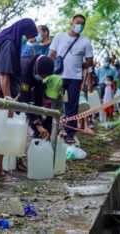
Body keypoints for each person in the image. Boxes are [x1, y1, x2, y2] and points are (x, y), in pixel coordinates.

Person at [0, 18, 38, 179]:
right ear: (22, 33)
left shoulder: (8, 39)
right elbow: (3, 74)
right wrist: (8, 102)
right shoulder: (9, 43)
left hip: (0, 86)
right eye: (29, 36)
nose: (29, 40)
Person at [48, 14, 94, 144]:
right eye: (77, 22)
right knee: (54, 103)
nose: (80, 25)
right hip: (58, 77)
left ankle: (70, 134)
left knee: (72, 107)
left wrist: (78, 66)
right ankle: (52, 129)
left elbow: (90, 61)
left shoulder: (85, 42)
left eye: (82, 24)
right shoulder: (59, 37)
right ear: (71, 23)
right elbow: (51, 55)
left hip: (75, 78)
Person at [19, 55, 56, 139]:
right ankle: (38, 132)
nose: (44, 78)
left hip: (38, 89)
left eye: (46, 76)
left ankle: (43, 133)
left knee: (42, 109)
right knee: (29, 112)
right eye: (42, 76)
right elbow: (25, 100)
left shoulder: (46, 65)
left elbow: (39, 96)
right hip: (21, 88)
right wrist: (37, 124)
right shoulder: (26, 71)